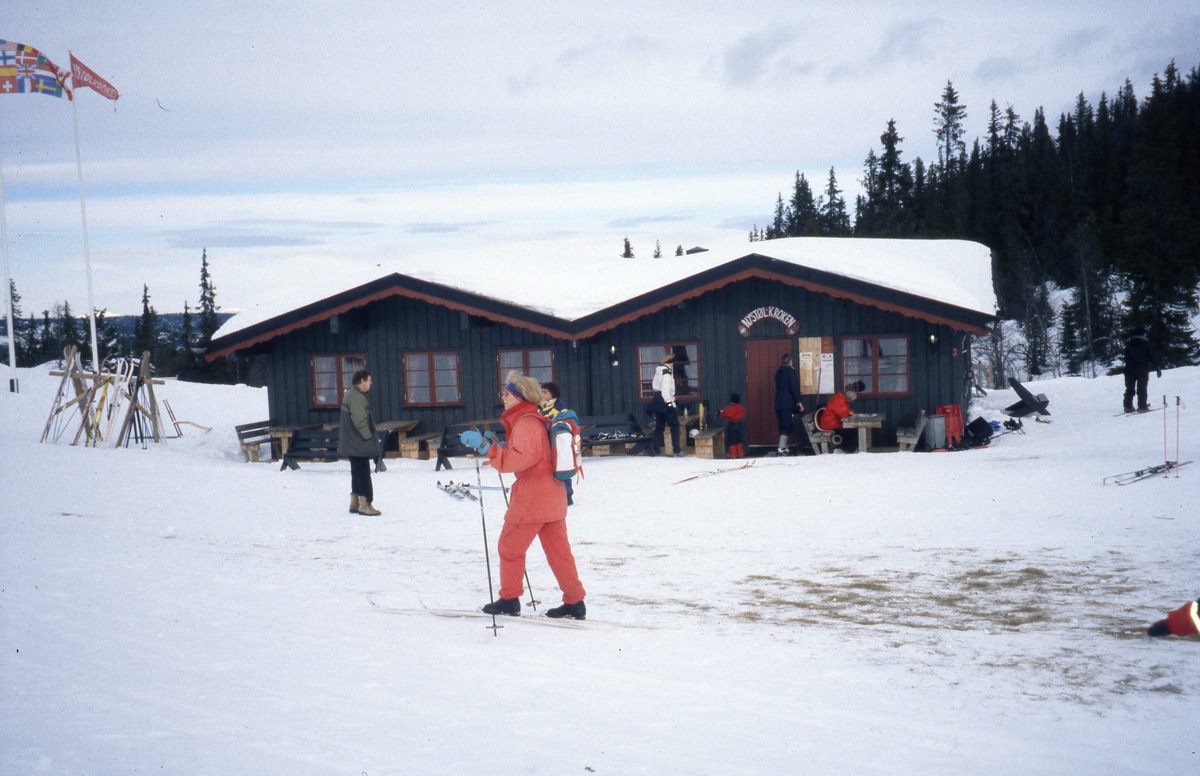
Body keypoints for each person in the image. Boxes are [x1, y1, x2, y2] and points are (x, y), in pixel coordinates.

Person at [460, 371, 587, 619]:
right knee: (558, 552)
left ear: (520, 397)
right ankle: (575, 601)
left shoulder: (527, 423)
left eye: (507, 393)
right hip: (552, 496)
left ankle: (509, 599)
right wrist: (500, 445)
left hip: (532, 497)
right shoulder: (533, 420)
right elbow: (530, 453)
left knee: (509, 547)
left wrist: (488, 449)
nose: (503, 397)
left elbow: (518, 461)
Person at [337, 368, 382, 516]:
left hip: (352, 443)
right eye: (369, 380)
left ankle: (355, 503)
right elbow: (360, 421)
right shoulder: (357, 397)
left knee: (356, 473)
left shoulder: (351, 395)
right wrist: (368, 438)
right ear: (362, 381)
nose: (371, 383)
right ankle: (365, 504)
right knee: (363, 473)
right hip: (358, 442)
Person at [539, 381, 575, 505]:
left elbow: (564, 422)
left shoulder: (559, 406)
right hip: (544, 441)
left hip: (557, 441)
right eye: (542, 391)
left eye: (545, 392)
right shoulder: (541, 406)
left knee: (561, 465)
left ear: (553, 393)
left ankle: (567, 495)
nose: (543, 394)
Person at [647, 352, 684, 457]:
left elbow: (655, 386)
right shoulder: (667, 373)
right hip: (665, 400)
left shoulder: (659, 371)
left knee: (659, 426)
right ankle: (677, 451)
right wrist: (669, 402)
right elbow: (665, 389)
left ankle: (656, 450)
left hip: (657, 400)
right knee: (675, 425)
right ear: (670, 363)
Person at [817, 380, 864, 451]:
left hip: (830, 422)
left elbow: (843, 411)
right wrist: (850, 412)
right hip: (830, 424)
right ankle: (850, 450)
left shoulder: (839, 397)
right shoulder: (841, 400)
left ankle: (844, 448)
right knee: (849, 432)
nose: (850, 401)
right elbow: (843, 415)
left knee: (850, 430)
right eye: (850, 400)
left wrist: (850, 411)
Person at [1123, 325, 1160, 413]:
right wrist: (1157, 367)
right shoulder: (1146, 343)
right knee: (1142, 388)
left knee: (1129, 388)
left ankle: (1128, 406)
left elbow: (1126, 357)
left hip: (1129, 369)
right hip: (1142, 369)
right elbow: (1151, 356)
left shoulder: (1129, 343)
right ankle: (1142, 406)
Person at [773, 354, 803, 455]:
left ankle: (784, 447)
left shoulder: (778, 373)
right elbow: (793, 389)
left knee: (782, 425)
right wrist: (799, 402)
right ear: (790, 361)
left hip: (778, 403)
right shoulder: (791, 372)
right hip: (787, 404)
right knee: (788, 426)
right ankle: (781, 448)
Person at [717, 392, 746, 458]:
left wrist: (718, 413)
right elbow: (743, 413)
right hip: (739, 424)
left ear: (731, 400)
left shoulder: (729, 409)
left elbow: (723, 414)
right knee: (739, 440)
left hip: (732, 425)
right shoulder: (741, 408)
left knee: (732, 441)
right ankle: (740, 455)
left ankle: (732, 456)